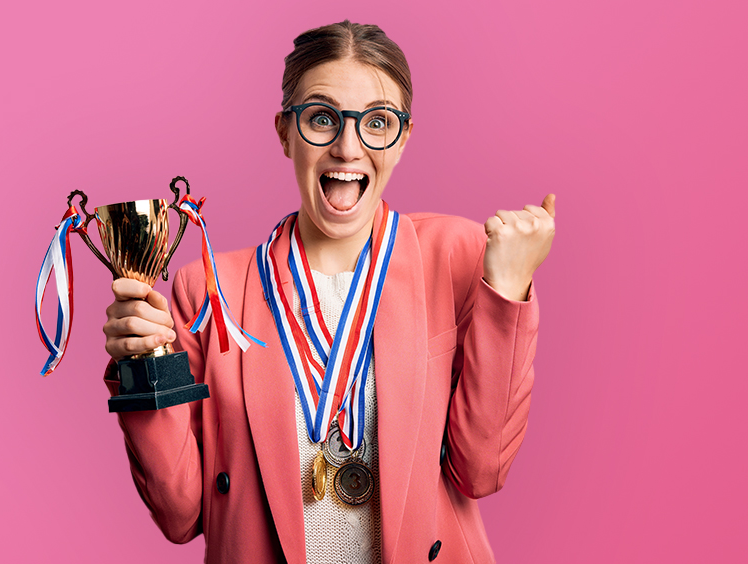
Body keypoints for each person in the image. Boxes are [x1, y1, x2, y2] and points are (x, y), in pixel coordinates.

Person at [102, 20, 555, 564]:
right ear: (284, 132)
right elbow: (180, 514)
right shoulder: (208, 289)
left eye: (378, 122)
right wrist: (142, 362)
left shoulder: (456, 257)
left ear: (403, 138)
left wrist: (507, 290)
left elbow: (480, 470)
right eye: (322, 118)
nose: (347, 147)